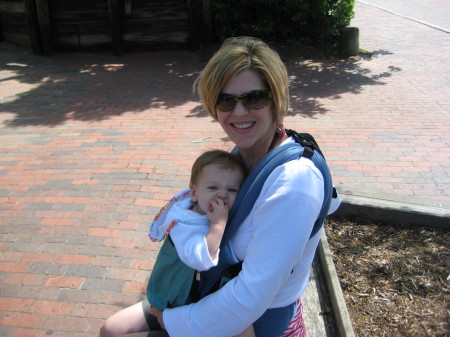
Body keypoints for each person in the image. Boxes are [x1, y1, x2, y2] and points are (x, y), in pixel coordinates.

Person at [100, 36, 341, 337]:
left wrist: (171, 321)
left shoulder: (294, 182)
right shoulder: (243, 156)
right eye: (226, 100)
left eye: (254, 98)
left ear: (276, 99)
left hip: (252, 317)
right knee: (110, 330)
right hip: (209, 288)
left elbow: (251, 296)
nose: (238, 112)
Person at [145, 150, 254, 337]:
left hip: (195, 291)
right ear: (194, 192)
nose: (222, 195)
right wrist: (219, 224)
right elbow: (200, 259)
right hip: (175, 298)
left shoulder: (206, 211)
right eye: (213, 188)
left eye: (232, 190)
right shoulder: (185, 223)